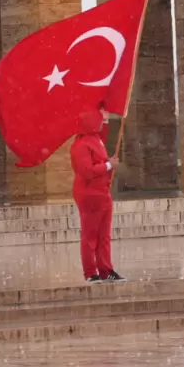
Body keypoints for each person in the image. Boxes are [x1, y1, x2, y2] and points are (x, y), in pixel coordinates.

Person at [70, 108, 125, 283]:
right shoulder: (80, 146)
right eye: (99, 119)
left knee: (103, 235)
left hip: (102, 192)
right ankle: (91, 272)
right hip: (89, 194)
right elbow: (87, 171)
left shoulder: (94, 139)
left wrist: (106, 118)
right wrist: (109, 166)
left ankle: (105, 269)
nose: (102, 122)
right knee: (90, 235)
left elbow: (102, 135)